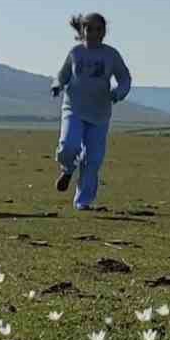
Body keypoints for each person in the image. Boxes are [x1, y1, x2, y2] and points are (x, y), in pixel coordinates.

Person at [50, 12, 131, 210]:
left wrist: (118, 93)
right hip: (74, 108)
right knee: (68, 146)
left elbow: (125, 78)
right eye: (89, 28)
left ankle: (83, 202)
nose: (93, 33)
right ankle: (68, 169)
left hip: (99, 112)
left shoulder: (111, 55)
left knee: (93, 159)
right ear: (82, 30)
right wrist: (57, 85)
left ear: (104, 32)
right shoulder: (75, 53)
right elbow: (63, 75)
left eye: (98, 29)